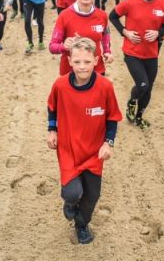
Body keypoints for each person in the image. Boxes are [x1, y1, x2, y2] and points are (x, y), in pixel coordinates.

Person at [46, 37, 121, 245]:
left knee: (92, 195)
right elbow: (51, 107)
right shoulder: (60, 85)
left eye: (87, 62)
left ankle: (81, 223)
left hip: (94, 152)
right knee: (73, 192)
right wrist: (52, 129)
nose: (82, 67)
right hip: (69, 149)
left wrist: (109, 142)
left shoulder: (105, 86)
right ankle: (70, 202)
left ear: (96, 61)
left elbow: (112, 117)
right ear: (69, 61)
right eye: (77, 62)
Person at [108, 0, 164, 129]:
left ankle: (139, 116)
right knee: (142, 85)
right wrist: (125, 32)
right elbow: (112, 16)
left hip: (151, 53)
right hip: (132, 52)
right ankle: (132, 101)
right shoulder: (130, 2)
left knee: (149, 88)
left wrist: (158, 33)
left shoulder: (162, 4)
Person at [49, 0, 113, 76]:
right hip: (71, 72)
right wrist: (64, 46)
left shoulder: (102, 15)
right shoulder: (64, 15)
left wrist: (107, 51)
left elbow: (105, 34)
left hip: (96, 70)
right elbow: (52, 47)